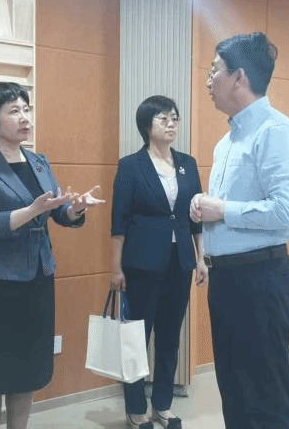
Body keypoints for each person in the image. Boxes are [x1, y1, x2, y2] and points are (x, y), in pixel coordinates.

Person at [0, 81, 105, 429]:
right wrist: (31, 210)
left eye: (27, 109)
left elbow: (56, 212)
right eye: (14, 111)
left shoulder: (38, 162)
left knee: (26, 369)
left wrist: (75, 208)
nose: (25, 117)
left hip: (37, 275)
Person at [189, 32, 289, 429]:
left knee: (266, 397)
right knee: (235, 392)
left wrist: (223, 209)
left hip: (260, 279)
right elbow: (231, 209)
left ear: (239, 77)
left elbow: (288, 213)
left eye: (214, 71)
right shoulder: (226, 143)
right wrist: (205, 207)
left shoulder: (276, 132)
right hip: (227, 279)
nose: (208, 80)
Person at [110, 95, 207, 429]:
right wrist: (115, 267)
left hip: (180, 263)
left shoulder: (188, 163)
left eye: (175, 118)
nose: (171, 124)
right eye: (163, 118)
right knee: (137, 338)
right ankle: (136, 409)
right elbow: (119, 221)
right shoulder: (131, 166)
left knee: (170, 336)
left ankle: (162, 406)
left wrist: (201, 258)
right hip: (141, 264)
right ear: (146, 125)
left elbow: (196, 215)